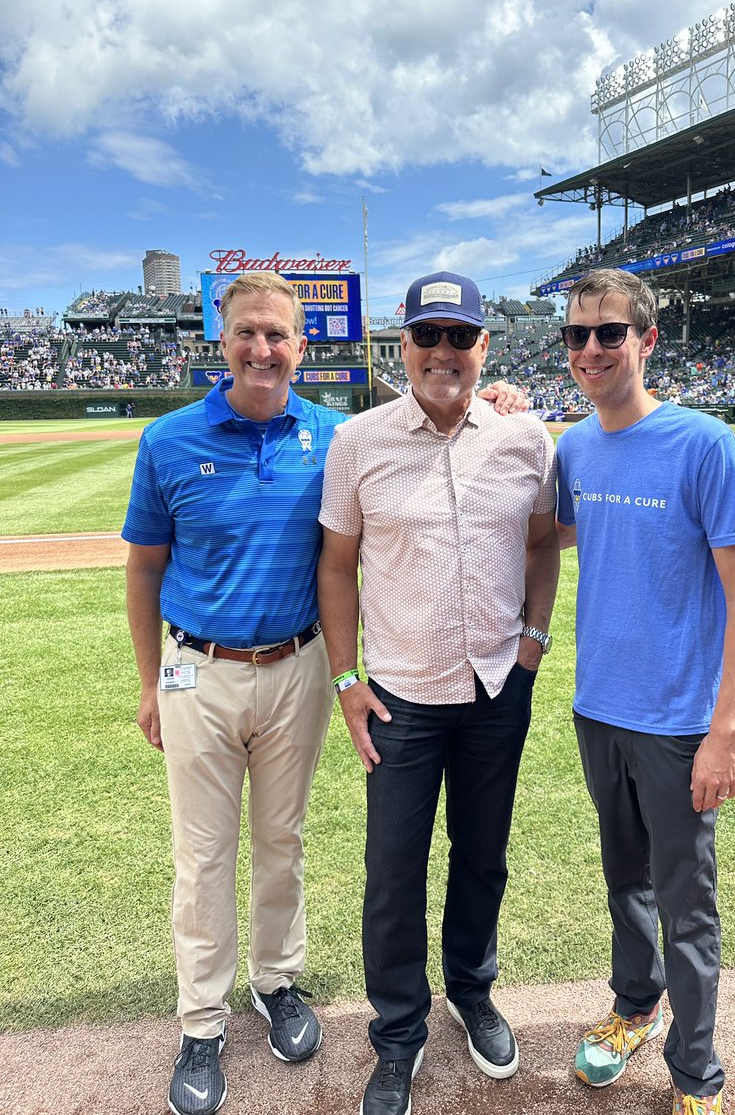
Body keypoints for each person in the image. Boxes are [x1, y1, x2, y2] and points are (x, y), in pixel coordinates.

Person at [122, 270, 526, 1115]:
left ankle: (279, 985)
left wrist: (508, 405)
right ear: (221, 341)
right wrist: (148, 684)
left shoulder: (334, 436)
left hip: (300, 666)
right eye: (247, 333)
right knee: (203, 856)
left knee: (283, 841)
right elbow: (145, 569)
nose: (263, 349)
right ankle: (202, 1022)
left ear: (303, 347)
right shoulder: (169, 440)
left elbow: (509, 511)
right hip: (199, 666)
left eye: (278, 335)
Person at [317, 271, 560, 1115]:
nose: (445, 352)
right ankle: (397, 1033)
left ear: (484, 346)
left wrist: (534, 642)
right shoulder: (360, 442)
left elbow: (541, 548)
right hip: (401, 697)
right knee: (392, 872)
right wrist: (346, 680)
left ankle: (471, 990)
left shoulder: (525, 438)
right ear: (403, 345)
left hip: (497, 685)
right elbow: (334, 569)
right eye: (429, 335)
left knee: (482, 856)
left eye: (462, 336)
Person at [554, 270, 735, 1115]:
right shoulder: (573, 448)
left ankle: (696, 1075)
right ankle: (634, 1007)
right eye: (577, 336)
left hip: (679, 723)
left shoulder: (703, 443)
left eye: (609, 333)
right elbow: (566, 534)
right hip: (598, 707)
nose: (592, 349)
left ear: (646, 340)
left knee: (688, 905)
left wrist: (728, 729)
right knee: (625, 882)